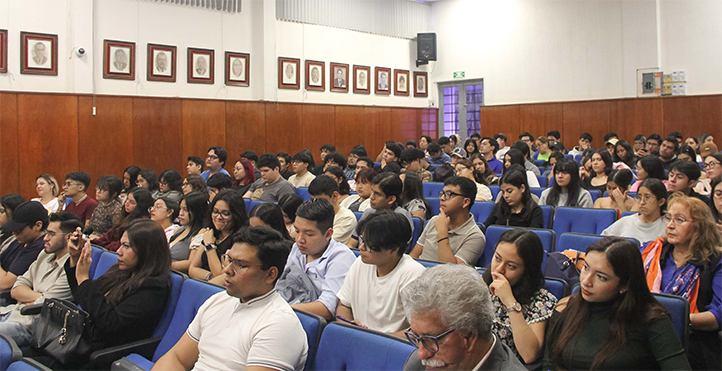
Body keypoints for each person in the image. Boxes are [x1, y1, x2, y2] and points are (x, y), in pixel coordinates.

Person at [152, 227, 307, 371]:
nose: (227, 270)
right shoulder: (218, 300)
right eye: (229, 259)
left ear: (270, 274)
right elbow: (177, 358)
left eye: (240, 264)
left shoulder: (280, 324)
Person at [543, 237, 690, 371]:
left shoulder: (651, 319)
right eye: (585, 268)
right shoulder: (566, 308)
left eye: (601, 277)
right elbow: (550, 365)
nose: (586, 281)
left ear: (625, 285)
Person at [63, 219, 172, 368]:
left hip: (100, 356)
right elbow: (83, 298)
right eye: (121, 244)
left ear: (146, 251)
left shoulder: (153, 287)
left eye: (126, 246)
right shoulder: (120, 270)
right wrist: (75, 259)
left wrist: (83, 278)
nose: (118, 251)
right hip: (77, 342)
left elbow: (110, 323)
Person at [642, 194, 722, 370]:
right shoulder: (653, 253)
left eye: (680, 220)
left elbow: (718, 315)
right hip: (644, 333)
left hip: (693, 341)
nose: (670, 225)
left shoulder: (716, 261)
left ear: (700, 227)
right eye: (668, 218)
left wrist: (674, 319)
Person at [401, 264, 527, 371]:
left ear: (469, 337)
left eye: (431, 340)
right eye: (417, 337)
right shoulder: (418, 365)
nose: (421, 354)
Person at [336, 211, 425, 335]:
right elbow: (344, 305)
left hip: (390, 347)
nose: (361, 247)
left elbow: (420, 331)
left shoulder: (414, 275)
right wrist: (348, 325)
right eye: (363, 240)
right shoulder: (360, 263)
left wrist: (377, 341)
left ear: (393, 249)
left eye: (370, 244)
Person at [0, 212, 81, 348]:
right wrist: (37, 297)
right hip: (12, 311)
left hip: (32, 326)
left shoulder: (72, 270)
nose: (45, 238)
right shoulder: (45, 255)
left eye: (51, 234)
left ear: (68, 238)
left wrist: (27, 297)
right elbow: (16, 288)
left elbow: (46, 305)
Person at [481, 229, 557, 363]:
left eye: (511, 266)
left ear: (527, 270)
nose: (499, 269)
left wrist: (509, 301)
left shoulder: (541, 301)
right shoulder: (479, 284)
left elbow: (529, 355)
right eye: (497, 258)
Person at [277, 198, 356, 320]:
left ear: (328, 234)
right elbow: (285, 283)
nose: (300, 239)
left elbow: (327, 308)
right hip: (290, 309)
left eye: (309, 234)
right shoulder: (297, 248)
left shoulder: (341, 257)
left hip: (312, 321)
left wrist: (280, 310)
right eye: (297, 231)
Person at [410, 177, 485, 265]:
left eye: (449, 194)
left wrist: (442, 232)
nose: (442, 198)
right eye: (443, 193)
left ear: (465, 202)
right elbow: (413, 257)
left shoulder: (475, 236)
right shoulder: (434, 220)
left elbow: (451, 272)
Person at [189, 190, 249, 285]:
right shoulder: (211, 233)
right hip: (204, 284)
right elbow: (192, 268)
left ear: (236, 215)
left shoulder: (240, 241)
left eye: (225, 214)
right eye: (215, 212)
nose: (218, 217)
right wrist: (210, 276)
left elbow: (222, 276)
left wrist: (210, 246)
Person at [346, 172, 414, 249]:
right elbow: (351, 244)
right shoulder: (368, 213)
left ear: (391, 199)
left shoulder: (401, 217)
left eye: (377, 194)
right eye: (372, 191)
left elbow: (396, 253)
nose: (371, 197)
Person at [0, 201, 48, 291]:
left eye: (19, 229)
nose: (14, 233)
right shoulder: (21, 240)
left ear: (38, 225)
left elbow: (5, 283)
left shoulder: (40, 247)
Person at [602, 178, 667, 244]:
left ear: (661, 201)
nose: (642, 202)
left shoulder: (667, 226)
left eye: (648, 197)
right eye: (639, 197)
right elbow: (601, 242)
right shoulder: (626, 222)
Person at [91, 188, 154, 252]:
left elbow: (121, 244)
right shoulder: (125, 216)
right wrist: (93, 243)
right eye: (127, 200)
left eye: (132, 202)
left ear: (141, 206)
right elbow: (110, 235)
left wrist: (102, 250)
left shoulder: (142, 224)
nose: (126, 204)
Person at [308, 176, 357, 245]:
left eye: (321, 200)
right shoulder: (312, 213)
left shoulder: (346, 218)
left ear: (335, 196)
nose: (317, 204)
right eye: (313, 200)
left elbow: (323, 243)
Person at [168, 192, 209, 272]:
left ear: (197, 211)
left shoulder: (201, 233)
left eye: (186, 210)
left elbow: (191, 263)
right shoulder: (179, 230)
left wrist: (162, 265)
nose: (181, 213)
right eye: (180, 209)